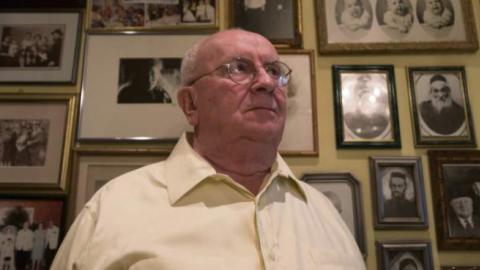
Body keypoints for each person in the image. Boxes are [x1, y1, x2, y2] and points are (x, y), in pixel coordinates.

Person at [51, 29, 365, 269]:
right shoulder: (112, 210)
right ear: (191, 104)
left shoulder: (324, 212)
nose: (267, 83)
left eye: (274, 70)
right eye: (239, 68)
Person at [343, 74, 390, 139]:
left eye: (366, 90)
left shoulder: (381, 120)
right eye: (360, 89)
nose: (365, 85)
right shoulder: (349, 118)